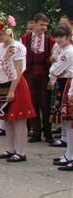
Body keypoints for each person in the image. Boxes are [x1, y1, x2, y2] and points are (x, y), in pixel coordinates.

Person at [0, 14, 35, 162]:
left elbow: (18, 71)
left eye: (1, 34)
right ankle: (10, 149)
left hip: (15, 83)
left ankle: (21, 152)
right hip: (3, 83)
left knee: (19, 119)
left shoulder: (17, 47)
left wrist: (12, 89)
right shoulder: (0, 48)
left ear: (8, 32)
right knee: (7, 119)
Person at [21, 14, 55, 144]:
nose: (44, 27)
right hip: (30, 73)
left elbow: (53, 57)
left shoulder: (50, 40)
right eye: (41, 24)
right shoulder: (25, 38)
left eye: (46, 25)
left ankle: (48, 133)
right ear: (34, 24)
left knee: (45, 104)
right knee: (33, 102)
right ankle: (36, 132)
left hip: (44, 74)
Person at [48, 24, 73, 171]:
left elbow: (56, 69)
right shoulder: (64, 50)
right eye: (56, 37)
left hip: (68, 83)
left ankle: (71, 155)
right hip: (65, 83)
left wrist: (53, 69)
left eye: (61, 37)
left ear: (68, 36)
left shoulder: (68, 51)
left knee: (70, 122)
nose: (58, 40)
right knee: (66, 121)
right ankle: (69, 154)